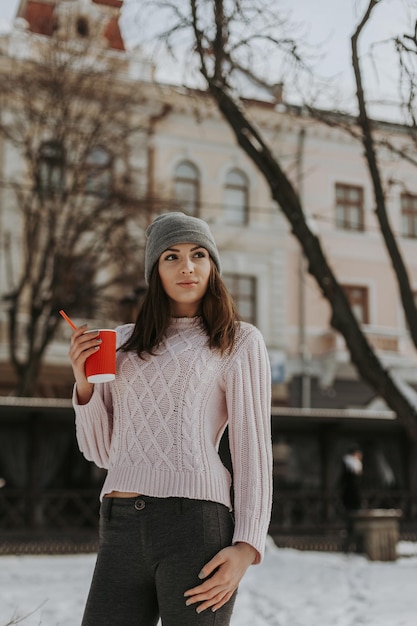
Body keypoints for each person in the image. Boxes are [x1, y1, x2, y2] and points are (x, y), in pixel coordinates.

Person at [68, 212, 273, 626]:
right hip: (120, 525)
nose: (187, 267)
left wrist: (246, 545)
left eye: (199, 254)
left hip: (195, 527)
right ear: (154, 270)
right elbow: (102, 451)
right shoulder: (121, 341)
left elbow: (253, 450)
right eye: (171, 256)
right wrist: (83, 384)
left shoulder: (239, 340)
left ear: (212, 265)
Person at [340, 443, 363, 553]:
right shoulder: (350, 468)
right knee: (352, 524)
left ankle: (350, 546)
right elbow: (352, 486)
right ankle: (349, 546)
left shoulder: (351, 467)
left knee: (352, 524)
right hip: (352, 499)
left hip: (351, 498)